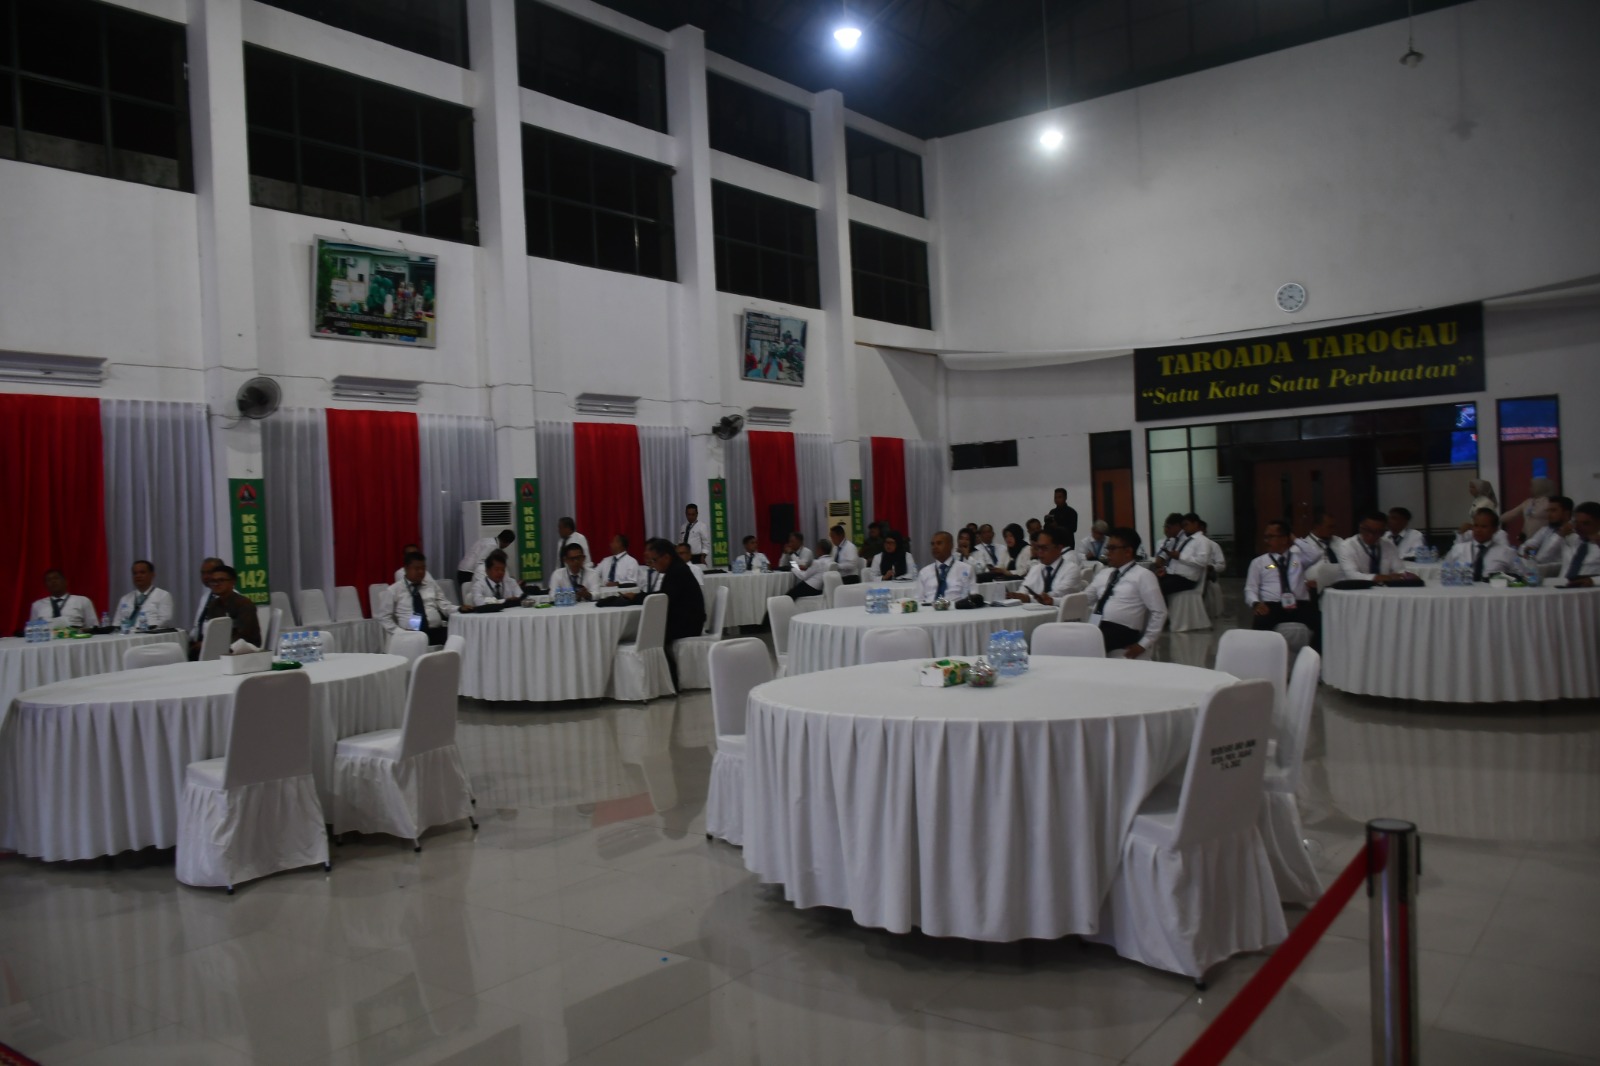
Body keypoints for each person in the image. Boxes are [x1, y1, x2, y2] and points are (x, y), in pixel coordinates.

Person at [1085, 529, 1166, 657]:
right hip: (1097, 624)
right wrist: (1056, 601)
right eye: (1107, 548)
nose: (1107, 553)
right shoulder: (1104, 573)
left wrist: (1144, 644)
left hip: (1123, 630)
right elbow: (1084, 599)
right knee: (1070, 637)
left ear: (1128, 551)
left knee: (1086, 643)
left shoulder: (1143, 576)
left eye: (1112, 548)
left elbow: (1159, 612)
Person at [644, 537, 706, 686]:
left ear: (666, 557)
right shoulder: (675, 568)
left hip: (689, 623)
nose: (653, 564)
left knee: (654, 633)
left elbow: (664, 598)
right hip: (685, 619)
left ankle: (670, 680)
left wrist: (639, 598)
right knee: (654, 629)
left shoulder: (676, 571)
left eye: (654, 560)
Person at [1244, 521, 1311, 630]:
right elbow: (1250, 588)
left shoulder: (1298, 559)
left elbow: (1316, 554)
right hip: (1272, 606)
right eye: (1265, 537)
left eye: (1270, 537)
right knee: (1261, 622)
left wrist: (1294, 539)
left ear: (1284, 539)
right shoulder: (1258, 562)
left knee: (1317, 622)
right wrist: (1255, 603)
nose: (1266, 541)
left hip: (1299, 604)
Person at [382, 552, 457, 645]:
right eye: (417, 569)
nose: (421, 572)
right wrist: (399, 632)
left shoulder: (431, 585)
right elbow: (384, 617)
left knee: (457, 637)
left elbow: (445, 606)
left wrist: (459, 609)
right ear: (406, 569)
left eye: (423, 568)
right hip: (410, 634)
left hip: (436, 631)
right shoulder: (394, 590)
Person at [194, 566, 262, 652]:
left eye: (221, 580)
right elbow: (214, 633)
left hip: (246, 650)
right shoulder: (214, 605)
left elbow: (244, 636)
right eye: (213, 581)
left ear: (233, 582)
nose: (216, 584)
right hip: (221, 649)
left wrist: (216, 645)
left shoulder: (244, 604)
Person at [1008, 527, 1081, 606]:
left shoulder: (1071, 569)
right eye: (1038, 548)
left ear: (1059, 548)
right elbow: (1024, 589)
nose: (1039, 552)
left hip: (1061, 612)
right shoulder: (1036, 568)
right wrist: (1017, 595)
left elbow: (1057, 595)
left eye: (1044, 548)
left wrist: (1029, 598)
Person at [1445, 508, 1519, 581]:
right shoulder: (1458, 549)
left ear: (1495, 529)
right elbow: (1443, 574)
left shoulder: (1507, 553)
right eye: (1476, 525)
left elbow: (1520, 579)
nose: (1478, 530)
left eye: (1484, 526)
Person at [1337, 512, 1408, 584]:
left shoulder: (1388, 544)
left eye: (1377, 532)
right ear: (1360, 527)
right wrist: (1379, 577)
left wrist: (1404, 575)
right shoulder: (1347, 546)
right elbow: (1351, 575)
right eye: (1367, 530)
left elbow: (1399, 570)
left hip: (1384, 587)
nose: (1371, 536)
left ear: (1384, 532)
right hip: (1354, 587)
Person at [1155, 513, 1209, 595]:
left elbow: (1202, 562)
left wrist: (1180, 556)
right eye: (1183, 525)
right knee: (1151, 582)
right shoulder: (1188, 540)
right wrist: (1166, 569)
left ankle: (1161, 603)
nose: (1184, 528)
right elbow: (1177, 563)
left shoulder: (1202, 541)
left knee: (1157, 588)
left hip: (1186, 579)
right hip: (1175, 575)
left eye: (1186, 525)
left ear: (1195, 524)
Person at [113, 559, 173, 629]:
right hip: (126, 634)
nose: (138, 576)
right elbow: (116, 623)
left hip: (151, 634)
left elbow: (165, 620)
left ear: (152, 575)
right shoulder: (125, 599)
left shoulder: (163, 595)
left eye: (142, 572)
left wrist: (144, 630)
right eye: (135, 573)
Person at [917, 531, 975, 602]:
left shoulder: (966, 569)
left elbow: (974, 597)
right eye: (932, 544)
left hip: (956, 607)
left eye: (939, 543)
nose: (934, 547)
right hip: (929, 607)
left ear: (950, 545)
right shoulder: (924, 572)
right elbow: (919, 600)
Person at [30, 570, 96, 628]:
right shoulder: (37, 605)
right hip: (48, 637)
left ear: (66, 582)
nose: (53, 581)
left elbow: (93, 627)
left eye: (56, 578)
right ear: (45, 586)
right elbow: (33, 630)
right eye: (49, 580)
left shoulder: (83, 601)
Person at [1501, 477, 1557, 544]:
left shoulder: (1551, 503)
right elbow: (1511, 514)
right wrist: (1496, 519)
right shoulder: (1528, 502)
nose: (1530, 489)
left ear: (1540, 487)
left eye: (1533, 486)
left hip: (1545, 541)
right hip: (1528, 541)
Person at [1524, 496, 1575, 566]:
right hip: (1539, 568)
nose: (1549, 515)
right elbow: (1528, 545)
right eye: (1548, 511)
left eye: (1553, 510)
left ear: (1566, 513)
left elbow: (1542, 558)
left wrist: (1559, 535)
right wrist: (1530, 553)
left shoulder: (1573, 532)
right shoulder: (1547, 529)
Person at [1558, 502, 1600, 586]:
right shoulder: (1572, 539)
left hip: (1591, 589)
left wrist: (1594, 580)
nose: (1578, 527)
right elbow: (1546, 555)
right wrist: (1560, 535)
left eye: (1585, 523)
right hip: (1561, 584)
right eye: (1576, 523)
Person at [190, 556, 225, 643]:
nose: (205, 577)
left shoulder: (232, 598)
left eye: (209, 572)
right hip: (200, 646)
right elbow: (198, 626)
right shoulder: (205, 597)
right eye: (203, 573)